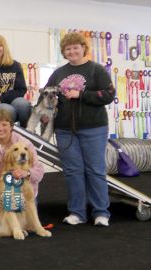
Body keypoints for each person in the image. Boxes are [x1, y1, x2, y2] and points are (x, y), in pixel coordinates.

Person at [45, 32, 115, 227]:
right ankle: (77, 213)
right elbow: (45, 96)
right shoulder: (58, 73)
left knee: (95, 171)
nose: (72, 51)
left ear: (84, 48)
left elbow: (109, 94)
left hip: (94, 128)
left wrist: (82, 94)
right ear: (64, 53)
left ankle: (101, 213)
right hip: (65, 130)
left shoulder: (96, 70)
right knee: (72, 172)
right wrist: (44, 112)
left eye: (76, 47)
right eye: (68, 49)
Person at [0, 109, 44, 196]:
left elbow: (39, 171)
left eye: (4, 125)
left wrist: (27, 173)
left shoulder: (25, 143)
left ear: (11, 127)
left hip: (25, 195)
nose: (0, 128)